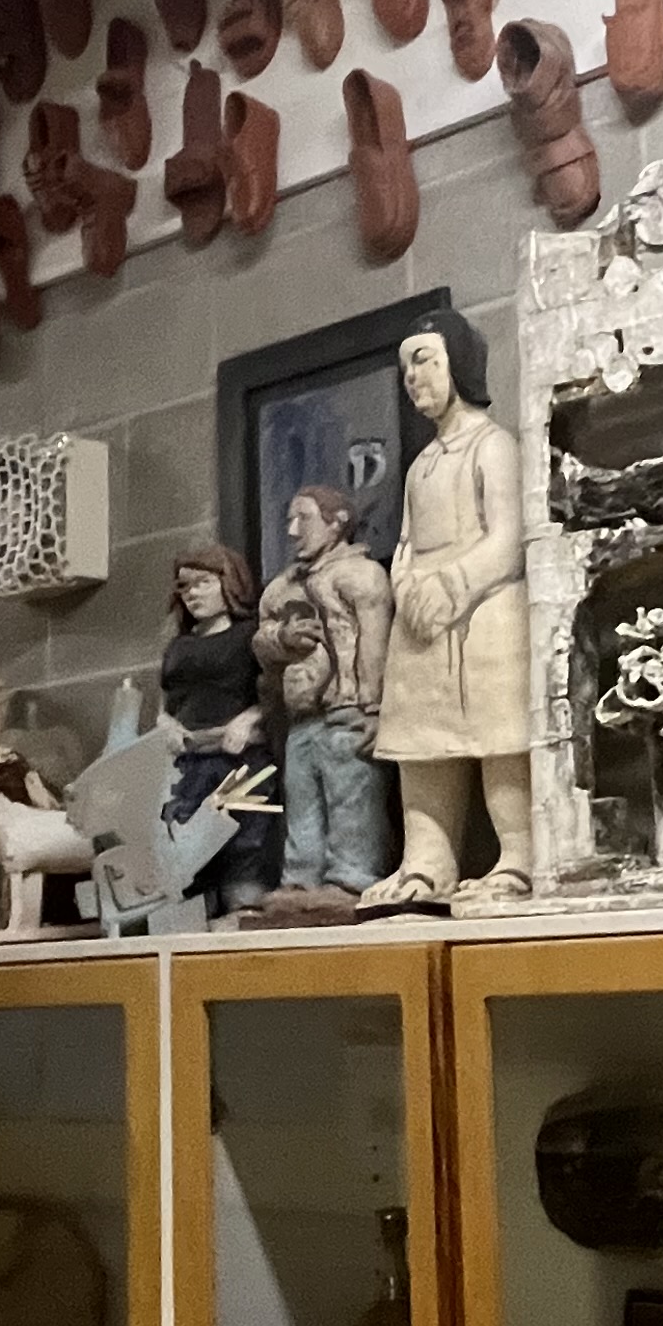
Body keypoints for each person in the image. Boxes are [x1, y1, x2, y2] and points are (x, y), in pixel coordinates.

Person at [369, 317, 533, 911]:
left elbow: (510, 537)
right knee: (421, 740)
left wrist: (455, 584)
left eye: (425, 360)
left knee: (498, 736)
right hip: (422, 618)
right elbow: (408, 541)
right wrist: (407, 582)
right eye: (407, 364)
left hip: (483, 608)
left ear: (459, 365)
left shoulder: (494, 445)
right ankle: (428, 863)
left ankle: (518, 857)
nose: (413, 376)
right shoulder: (420, 466)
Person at [252, 484, 393, 914]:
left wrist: (375, 708)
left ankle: (351, 877)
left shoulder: (360, 575)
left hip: (348, 709)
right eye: (290, 520)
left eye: (304, 519)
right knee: (303, 798)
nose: (293, 530)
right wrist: (282, 637)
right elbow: (260, 642)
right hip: (302, 715)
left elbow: (376, 642)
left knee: (350, 795)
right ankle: (300, 878)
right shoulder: (282, 586)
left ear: (337, 523)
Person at [160, 545, 276, 913]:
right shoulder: (178, 647)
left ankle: (244, 903)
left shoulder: (249, 637)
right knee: (185, 835)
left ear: (228, 584)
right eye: (185, 587)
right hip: (190, 762)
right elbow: (166, 703)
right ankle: (196, 906)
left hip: (240, 760)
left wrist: (250, 718)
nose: (193, 593)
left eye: (203, 583)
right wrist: (166, 725)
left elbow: (274, 695)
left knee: (244, 833)